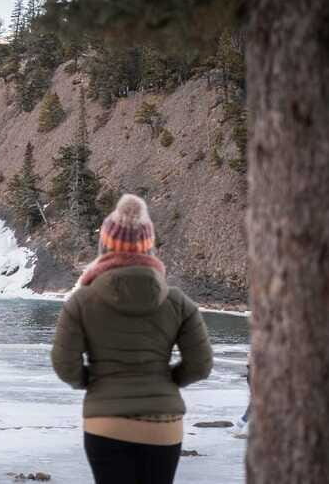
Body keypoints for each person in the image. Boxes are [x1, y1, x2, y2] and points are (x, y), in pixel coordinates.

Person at [51, 194, 213, 484]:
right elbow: (201, 365)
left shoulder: (82, 301)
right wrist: (167, 380)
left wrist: (94, 382)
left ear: (104, 247)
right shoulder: (178, 302)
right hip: (164, 424)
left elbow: (65, 364)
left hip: (107, 422)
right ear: (149, 249)